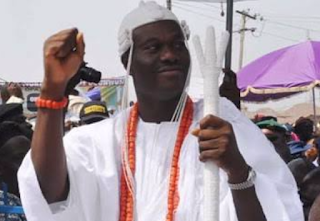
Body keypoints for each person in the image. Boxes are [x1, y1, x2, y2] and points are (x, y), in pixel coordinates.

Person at [18, 1, 303, 221]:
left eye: (178, 44)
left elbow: (277, 211)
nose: (170, 54)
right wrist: (53, 90)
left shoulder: (222, 122)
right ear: (127, 61)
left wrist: (238, 170)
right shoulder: (100, 141)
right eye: (154, 47)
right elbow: (50, 196)